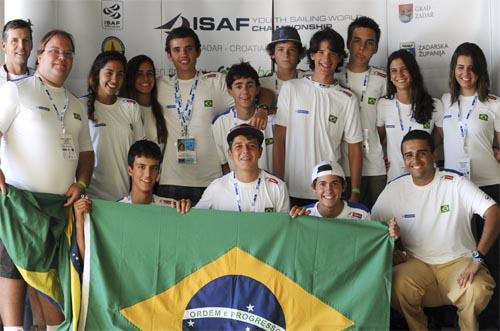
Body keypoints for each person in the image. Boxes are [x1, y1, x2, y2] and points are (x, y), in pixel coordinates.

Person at [0, 29, 94, 331]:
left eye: (68, 53)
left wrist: (80, 183)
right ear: (39, 55)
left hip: (58, 209)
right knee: (12, 271)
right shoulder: (17, 90)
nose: (62, 58)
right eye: (55, 51)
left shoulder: (77, 105)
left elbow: (87, 155)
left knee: (54, 280)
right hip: (18, 203)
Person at [372, 130, 498, 330]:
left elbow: (493, 212)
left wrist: (478, 258)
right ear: (403, 159)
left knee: (478, 288)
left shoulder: (455, 182)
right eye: (409, 155)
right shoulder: (394, 189)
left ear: (434, 155)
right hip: (417, 265)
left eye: (422, 153)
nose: (415, 159)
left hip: (459, 264)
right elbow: (371, 227)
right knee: (393, 283)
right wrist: (393, 250)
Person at [156, 27, 267, 204]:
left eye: (189, 48)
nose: (183, 54)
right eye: (176, 50)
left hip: (210, 180)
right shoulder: (160, 85)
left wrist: (262, 108)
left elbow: (263, 92)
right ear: (169, 55)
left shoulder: (216, 82)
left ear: (198, 51)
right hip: (171, 180)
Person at [442, 42, 500, 328]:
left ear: (480, 72)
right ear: (453, 70)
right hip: (457, 190)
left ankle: (493, 316)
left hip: (490, 185)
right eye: (460, 67)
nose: (465, 73)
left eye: (471, 68)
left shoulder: (493, 103)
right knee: (464, 252)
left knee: (492, 251)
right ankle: (467, 310)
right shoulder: (445, 102)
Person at [273, 27, 363, 206]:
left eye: (332, 53)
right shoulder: (291, 88)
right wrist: (278, 185)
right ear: (312, 55)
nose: (326, 59)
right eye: (321, 52)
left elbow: (354, 149)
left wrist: (355, 191)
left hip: (329, 192)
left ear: (339, 58)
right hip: (292, 190)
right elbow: (279, 140)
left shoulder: (348, 99)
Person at [74, 139, 191, 259]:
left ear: (158, 173)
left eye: (153, 168)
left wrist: (188, 213)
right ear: (130, 170)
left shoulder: (171, 208)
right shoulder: (115, 212)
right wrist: (79, 219)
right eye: (141, 167)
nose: (147, 174)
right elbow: (90, 260)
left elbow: (187, 251)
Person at [336, 16, 387, 209]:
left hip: (375, 166)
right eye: (357, 41)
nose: (362, 48)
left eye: (369, 43)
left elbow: (388, 120)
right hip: (341, 165)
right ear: (348, 43)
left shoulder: (383, 79)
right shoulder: (334, 76)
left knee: (377, 223)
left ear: (376, 48)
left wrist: (376, 142)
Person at [85, 51, 145, 201]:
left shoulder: (131, 107)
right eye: (109, 73)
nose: (114, 79)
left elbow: (139, 155)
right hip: (90, 199)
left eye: (120, 74)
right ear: (97, 74)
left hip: (124, 198)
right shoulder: (80, 106)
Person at [376, 49, 443, 182]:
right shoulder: (383, 104)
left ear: (413, 71)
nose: (399, 74)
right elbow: (378, 139)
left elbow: (442, 137)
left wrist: (425, 150)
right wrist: (379, 158)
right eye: (394, 71)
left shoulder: (435, 104)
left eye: (404, 69)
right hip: (395, 179)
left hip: (426, 177)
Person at [196, 124, 290, 213]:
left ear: (260, 152)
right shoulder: (216, 188)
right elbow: (194, 218)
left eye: (251, 146)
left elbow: (285, 227)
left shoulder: (278, 187)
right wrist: (183, 207)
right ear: (230, 153)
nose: (245, 151)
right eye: (238, 146)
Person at [212, 62, 274, 174]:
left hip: (270, 187)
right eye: (239, 86)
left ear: (257, 89)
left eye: (249, 85)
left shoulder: (272, 119)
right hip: (237, 189)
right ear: (230, 91)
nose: (245, 91)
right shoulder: (220, 123)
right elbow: (224, 164)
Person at [120, 55, 168, 147]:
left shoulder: (159, 108)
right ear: (131, 77)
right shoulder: (123, 108)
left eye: (149, 73)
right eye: (139, 74)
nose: (145, 78)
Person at [303, 161, 370, 219]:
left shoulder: (362, 214)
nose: (329, 190)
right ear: (314, 188)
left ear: (343, 187)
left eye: (334, 184)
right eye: (322, 184)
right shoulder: (304, 215)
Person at [260, 26, 308, 108]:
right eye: (281, 49)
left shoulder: (311, 80)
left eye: (291, 50)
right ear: (273, 54)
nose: (286, 55)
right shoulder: (262, 83)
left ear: (299, 54)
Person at [0, 19, 34, 86]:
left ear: (31, 45)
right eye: (14, 41)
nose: (21, 46)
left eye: (25, 40)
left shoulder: (40, 79)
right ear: (4, 46)